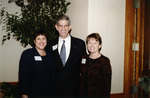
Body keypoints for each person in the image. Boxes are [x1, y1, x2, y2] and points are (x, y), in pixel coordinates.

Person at [46, 14, 86, 97]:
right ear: (56, 27)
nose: (63, 29)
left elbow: (84, 66)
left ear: (69, 27)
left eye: (66, 26)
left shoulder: (80, 44)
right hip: (55, 90)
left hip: (74, 89)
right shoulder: (50, 44)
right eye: (60, 26)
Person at [19, 30, 56, 98]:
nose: (41, 41)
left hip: (48, 93)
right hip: (33, 93)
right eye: (38, 38)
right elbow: (23, 76)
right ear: (34, 41)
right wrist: (24, 93)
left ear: (47, 41)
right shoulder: (27, 54)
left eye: (43, 38)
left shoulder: (50, 55)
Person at [79, 33, 112, 98]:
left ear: (100, 45)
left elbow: (107, 84)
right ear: (87, 45)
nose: (92, 45)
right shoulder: (84, 58)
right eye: (89, 43)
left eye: (95, 43)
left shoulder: (104, 61)